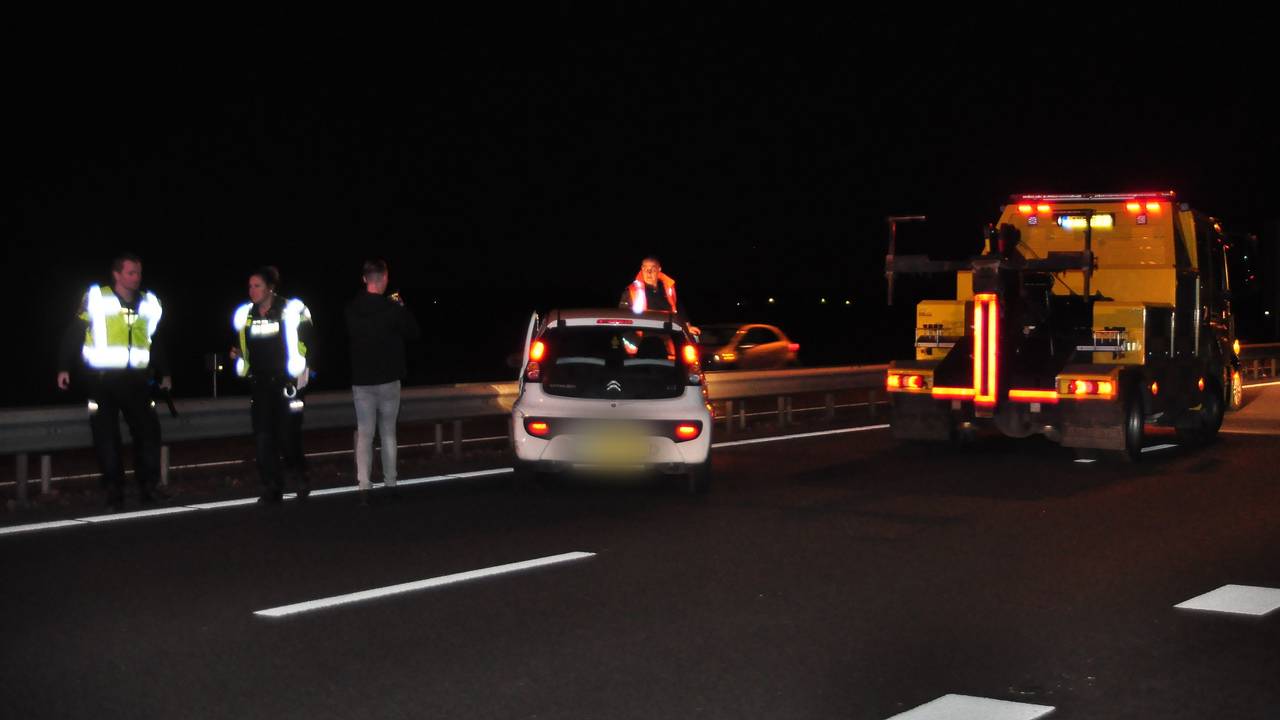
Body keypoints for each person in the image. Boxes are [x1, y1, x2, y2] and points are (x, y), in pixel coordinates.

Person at [56, 252, 172, 511]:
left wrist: (165, 373)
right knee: (106, 438)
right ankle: (113, 493)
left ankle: (149, 489)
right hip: (102, 381)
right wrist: (64, 367)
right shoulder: (97, 299)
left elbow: (155, 340)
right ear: (117, 274)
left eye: (139, 273)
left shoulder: (148, 303)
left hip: (136, 381)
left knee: (148, 433)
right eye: (131, 272)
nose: (136, 278)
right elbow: (74, 332)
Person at [230, 266, 315, 504]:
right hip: (260, 385)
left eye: (257, 286)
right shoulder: (247, 315)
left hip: (288, 385)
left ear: (270, 287)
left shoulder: (291, 310)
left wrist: (303, 375)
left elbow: (309, 343)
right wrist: (237, 354)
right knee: (263, 438)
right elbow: (242, 345)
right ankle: (271, 486)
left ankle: (300, 474)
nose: (252, 291)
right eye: (249, 286)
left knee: (288, 436)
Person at [344, 259, 421, 506]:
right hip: (389, 380)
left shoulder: (352, 309)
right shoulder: (392, 308)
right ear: (385, 279)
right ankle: (390, 484)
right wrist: (401, 306)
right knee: (388, 433)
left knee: (365, 434)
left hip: (362, 381)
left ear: (365, 279)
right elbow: (414, 332)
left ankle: (364, 487)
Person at [618, 256, 699, 335]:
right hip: (643, 337)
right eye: (645, 268)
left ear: (659, 269)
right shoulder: (631, 290)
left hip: (668, 334)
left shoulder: (668, 287)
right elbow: (623, 316)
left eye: (652, 269)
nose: (648, 272)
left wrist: (688, 326)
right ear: (642, 269)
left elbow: (679, 308)